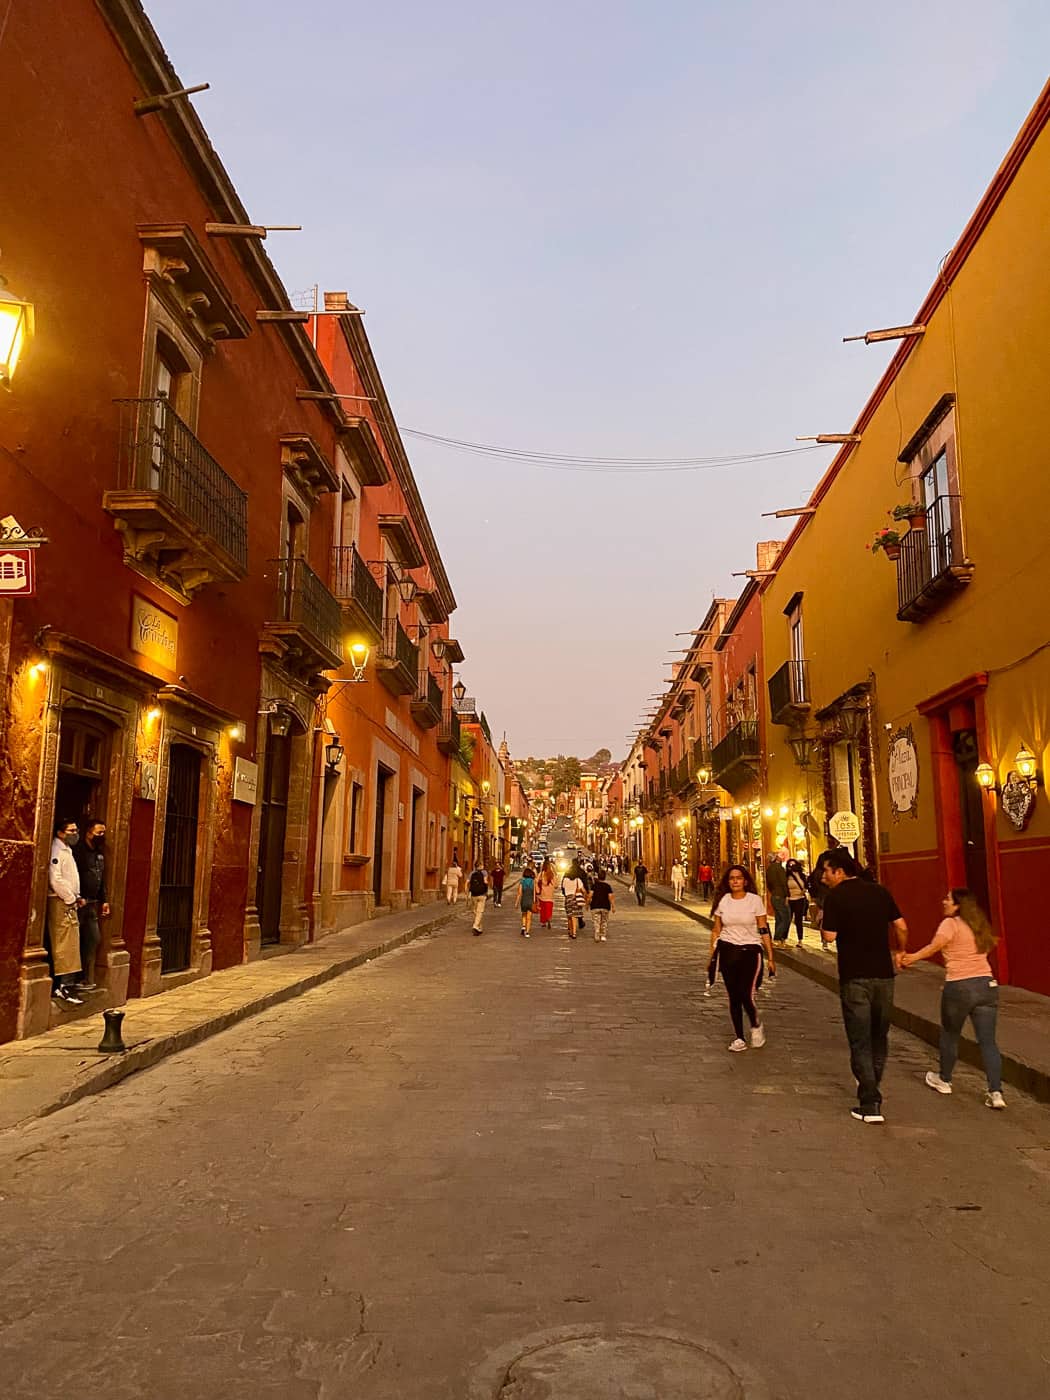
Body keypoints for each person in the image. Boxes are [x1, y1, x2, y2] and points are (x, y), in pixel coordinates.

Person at [821, 849, 908, 1124]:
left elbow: (829, 936)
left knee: (859, 1039)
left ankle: (870, 1102)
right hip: (884, 975)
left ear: (838, 871)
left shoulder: (835, 897)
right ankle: (872, 1089)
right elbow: (901, 926)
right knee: (878, 1036)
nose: (823, 877)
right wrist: (902, 952)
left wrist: (825, 918)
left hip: (855, 975)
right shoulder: (879, 892)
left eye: (826, 871)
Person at [901, 889, 1006, 1109]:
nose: (944, 901)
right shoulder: (979, 925)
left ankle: (945, 1080)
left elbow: (935, 946)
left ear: (958, 905)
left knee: (950, 1035)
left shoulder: (950, 924)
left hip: (959, 986)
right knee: (988, 1042)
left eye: (948, 899)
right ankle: (996, 1092)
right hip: (987, 985)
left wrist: (911, 958)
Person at [709, 865, 774, 1051]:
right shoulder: (724, 901)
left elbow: (763, 928)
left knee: (746, 993)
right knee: (733, 996)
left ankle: (755, 1024)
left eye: (738, 878)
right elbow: (716, 930)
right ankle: (739, 1038)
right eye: (731, 878)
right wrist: (712, 957)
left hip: (750, 951)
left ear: (745, 881)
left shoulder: (754, 901)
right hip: (728, 950)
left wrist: (771, 956)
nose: (735, 881)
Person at [47, 816, 84, 1005]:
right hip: (62, 902)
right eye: (71, 831)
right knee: (65, 943)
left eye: (76, 830)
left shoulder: (67, 850)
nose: (75, 834)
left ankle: (69, 983)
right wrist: (71, 898)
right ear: (60, 833)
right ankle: (64, 986)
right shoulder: (56, 850)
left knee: (71, 943)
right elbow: (55, 879)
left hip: (70, 901)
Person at [72, 818, 109, 993]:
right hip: (79, 903)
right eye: (99, 833)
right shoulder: (78, 852)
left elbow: (101, 878)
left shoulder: (99, 852)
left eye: (103, 833)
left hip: (93, 904)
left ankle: (87, 977)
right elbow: (73, 876)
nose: (102, 836)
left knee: (93, 939)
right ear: (88, 833)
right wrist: (78, 896)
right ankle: (73, 979)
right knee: (75, 940)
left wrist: (105, 900)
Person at [765, 851, 790, 943]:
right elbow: (783, 882)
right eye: (778, 856)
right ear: (775, 858)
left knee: (779, 918)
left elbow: (769, 885)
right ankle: (779, 938)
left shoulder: (769, 869)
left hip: (774, 895)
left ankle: (778, 939)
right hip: (780, 895)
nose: (780, 857)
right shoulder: (779, 868)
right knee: (785, 918)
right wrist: (787, 895)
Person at [561, 860, 588, 939]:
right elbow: (584, 888)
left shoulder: (565, 879)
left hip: (568, 898)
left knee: (569, 916)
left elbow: (562, 888)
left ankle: (570, 930)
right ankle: (574, 933)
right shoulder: (579, 878)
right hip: (576, 898)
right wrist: (586, 896)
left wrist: (565, 894)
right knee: (574, 916)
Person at [785, 858, 808, 946]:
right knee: (787, 919)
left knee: (798, 920)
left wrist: (803, 891)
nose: (791, 867)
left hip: (800, 899)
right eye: (790, 865)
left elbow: (805, 885)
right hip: (790, 900)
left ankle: (800, 940)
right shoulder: (786, 876)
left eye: (793, 865)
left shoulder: (801, 875)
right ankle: (784, 938)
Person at [589, 867, 615, 942]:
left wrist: (587, 903)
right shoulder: (607, 886)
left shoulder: (594, 886)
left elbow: (590, 895)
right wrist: (613, 906)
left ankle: (597, 935)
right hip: (605, 906)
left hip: (595, 906)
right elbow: (610, 897)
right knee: (604, 921)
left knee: (596, 922)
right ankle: (603, 935)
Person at [467, 861, 488, 935]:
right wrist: (486, 890)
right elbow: (485, 882)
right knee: (480, 911)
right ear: (481, 866)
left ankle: (479, 927)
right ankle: (475, 926)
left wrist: (467, 892)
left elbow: (467, 883)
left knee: (476, 911)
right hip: (482, 894)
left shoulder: (472, 873)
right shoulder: (484, 872)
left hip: (474, 894)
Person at [517, 864, 536, 938]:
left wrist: (516, 903)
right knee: (529, 917)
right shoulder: (533, 882)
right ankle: (527, 932)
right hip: (530, 901)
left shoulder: (522, 881)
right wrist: (534, 901)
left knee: (524, 914)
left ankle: (523, 926)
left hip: (523, 901)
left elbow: (519, 893)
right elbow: (534, 893)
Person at [537, 860, 557, 929]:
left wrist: (537, 889)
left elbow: (536, 881)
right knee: (549, 908)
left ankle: (543, 922)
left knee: (542, 909)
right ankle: (548, 918)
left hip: (542, 894)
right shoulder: (552, 875)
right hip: (550, 895)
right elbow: (556, 885)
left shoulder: (541, 874)